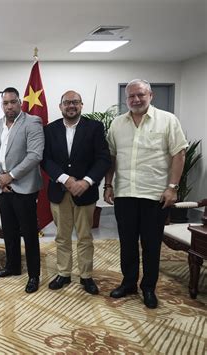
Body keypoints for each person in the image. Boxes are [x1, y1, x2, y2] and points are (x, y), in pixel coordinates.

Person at [104, 79, 187, 309]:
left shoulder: (168, 121)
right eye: (131, 96)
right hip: (125, 194)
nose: (136, 99)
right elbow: (111, 157)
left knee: (151, 245)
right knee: (127, 243)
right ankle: (129, 283)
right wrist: (108, 185)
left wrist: (173, 187)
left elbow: (179, 154)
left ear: (151, 95)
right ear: (126, 99)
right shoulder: (117, 124)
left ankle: (148, 287)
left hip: (155, 195)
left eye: (140, 94)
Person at [41, 90, 111, 295]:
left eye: (75, 102)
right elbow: (45, 159)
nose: (71, 106)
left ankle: (86, 276)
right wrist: (66, 179)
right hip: (59, 191)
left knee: (85, 236)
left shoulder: (95, 128)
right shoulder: (50, 129)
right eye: (67, 103)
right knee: (62, 237)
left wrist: (87, 182)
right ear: (60, 106)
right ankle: (63, 273)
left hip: (85, 193)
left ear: (81, 105)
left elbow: (103, 158)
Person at [0, 87, 44, 294]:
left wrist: (10, 176)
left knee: (28, 233)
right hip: (3, 187)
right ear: (1, 104)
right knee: (9, 230)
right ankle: (12, 266)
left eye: (13, 102)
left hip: (24, 188)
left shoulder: (32, 122)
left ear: (20, 102)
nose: (9, 106)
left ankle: (34, 275)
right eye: (5, 103)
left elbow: (35, 155)